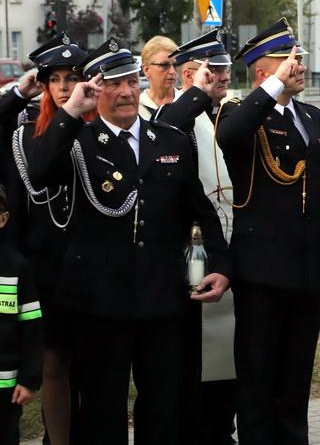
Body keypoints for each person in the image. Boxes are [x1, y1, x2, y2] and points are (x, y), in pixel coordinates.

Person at [26, 37, 231, 445]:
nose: (125, 92)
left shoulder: (169, 140)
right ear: (93, 90)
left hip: (162, 301)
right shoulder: (77, 141)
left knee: (162, 409)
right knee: (102, 413)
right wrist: (71, 111)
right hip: (100, 305)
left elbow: (200, 212)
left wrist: (222, 266)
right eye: (112, 84)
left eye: (131, 82)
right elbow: (40, 172)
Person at [216, 18, 320, 445]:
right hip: (262, 272)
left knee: (296, 378)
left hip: (307, 270)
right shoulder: (241, 113)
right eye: (289, 59)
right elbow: (230, 137)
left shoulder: (315, 118)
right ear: (261, 71)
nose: (299, 65)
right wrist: (271, 90)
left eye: (299, 58)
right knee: (258, 377)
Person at [3, 33, 90, 445]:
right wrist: (19, 93)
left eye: (71, 77)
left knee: (91, 367)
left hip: (91, 266)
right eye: (54, 79)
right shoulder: (27, 135)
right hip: (45, 268)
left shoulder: (95, 129)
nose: (63, 87)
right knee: (54, 364)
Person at [156, 29, 237, 445]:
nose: (224, 77)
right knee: (190, 363)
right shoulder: (177, 115)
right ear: (190, 75)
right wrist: (196, 97)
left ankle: (220, 430)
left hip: (227, 249)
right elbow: (163, 132)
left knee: (226, 361)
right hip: (192, 254)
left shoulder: (226, 113)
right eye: (214, 70)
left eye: (225, 69)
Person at [0, 183, 43, 445]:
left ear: (3, 219)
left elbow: (32, 328)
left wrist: (29, 380)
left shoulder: (18, 267)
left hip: (5, 388)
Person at [139, 35, 179, 119]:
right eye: (164, 65)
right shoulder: (136, 109)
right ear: (146, 70)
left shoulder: (188, 102)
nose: (172, 71)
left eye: (175, 65)